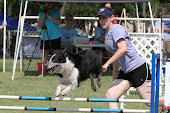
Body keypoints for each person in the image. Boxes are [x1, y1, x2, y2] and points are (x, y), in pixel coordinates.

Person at [96, 7, 164, 112]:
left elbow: (123, 49)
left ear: (112, 17)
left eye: (104, 18)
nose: (101, 21)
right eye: (99, 18)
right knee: (111, 95)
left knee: (149, 102)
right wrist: (114, 71)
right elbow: (116, 53)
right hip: (126, 71)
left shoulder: (116, 29)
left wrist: (106, 64)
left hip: (137, 68)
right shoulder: (108, 33)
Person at [37, 2, 62, 77]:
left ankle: (58, 71)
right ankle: (42, 72)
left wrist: (49, 16)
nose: (49, 4)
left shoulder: (56, 11)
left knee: (56, 54)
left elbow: (58, 22)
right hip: (45, 36)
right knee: (45, 54)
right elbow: (39, 24)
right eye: (48, 3)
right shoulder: (42, 13)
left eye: (50, 3)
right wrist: (44, 15)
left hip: (55, 35)